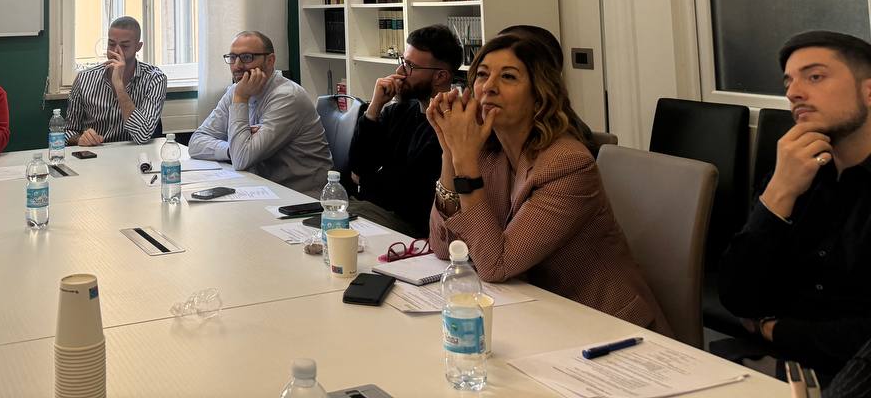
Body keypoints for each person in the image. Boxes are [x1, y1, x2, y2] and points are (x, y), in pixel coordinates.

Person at [424, 32, 668, 331]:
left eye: (508, 77)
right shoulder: (486, 153)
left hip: (602, 326)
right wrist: (450, 152)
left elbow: (495, 265)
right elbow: (443, 247)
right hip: (533, 314)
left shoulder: (568, 164)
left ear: (539, 95)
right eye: (483, 75)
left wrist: (464, 162)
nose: (488, 87)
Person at [718, 30, 871, 383]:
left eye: (814, 77)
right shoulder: (795, 170)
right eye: (788, 81)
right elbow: (737, 296)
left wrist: (775, 329)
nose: (793, 92)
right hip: (772, 371)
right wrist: (779, 193)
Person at [348, 24, 463, 237]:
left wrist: (365, 181)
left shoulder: (450, 124)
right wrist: (374, 108)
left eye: (410, 66)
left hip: (413, 229)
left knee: (338, 219)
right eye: (402, 61)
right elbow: (357, 165)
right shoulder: (398, 111)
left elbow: (408, 194)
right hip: (377, 213)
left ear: (440, 76)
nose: (400, 72)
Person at [188, 30, 332, 197]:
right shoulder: (236, 90)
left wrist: (241, 99)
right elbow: (196, 142)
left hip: (301, 198)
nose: (237, 66)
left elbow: (242, 159)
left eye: (246, 57)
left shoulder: (287, 97)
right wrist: (231, 149)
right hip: (262, 190)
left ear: (270, 61)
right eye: (232, 57)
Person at [66, 16, 167, 146]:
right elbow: (68, 131)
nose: (115, 51)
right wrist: (80, 139)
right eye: (111, 44)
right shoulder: (84, 78)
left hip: (134, 153)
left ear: (138, 46)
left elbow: (143, 135)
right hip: (95, 152)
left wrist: (119, 86)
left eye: (124, 46)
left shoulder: (155, 79)